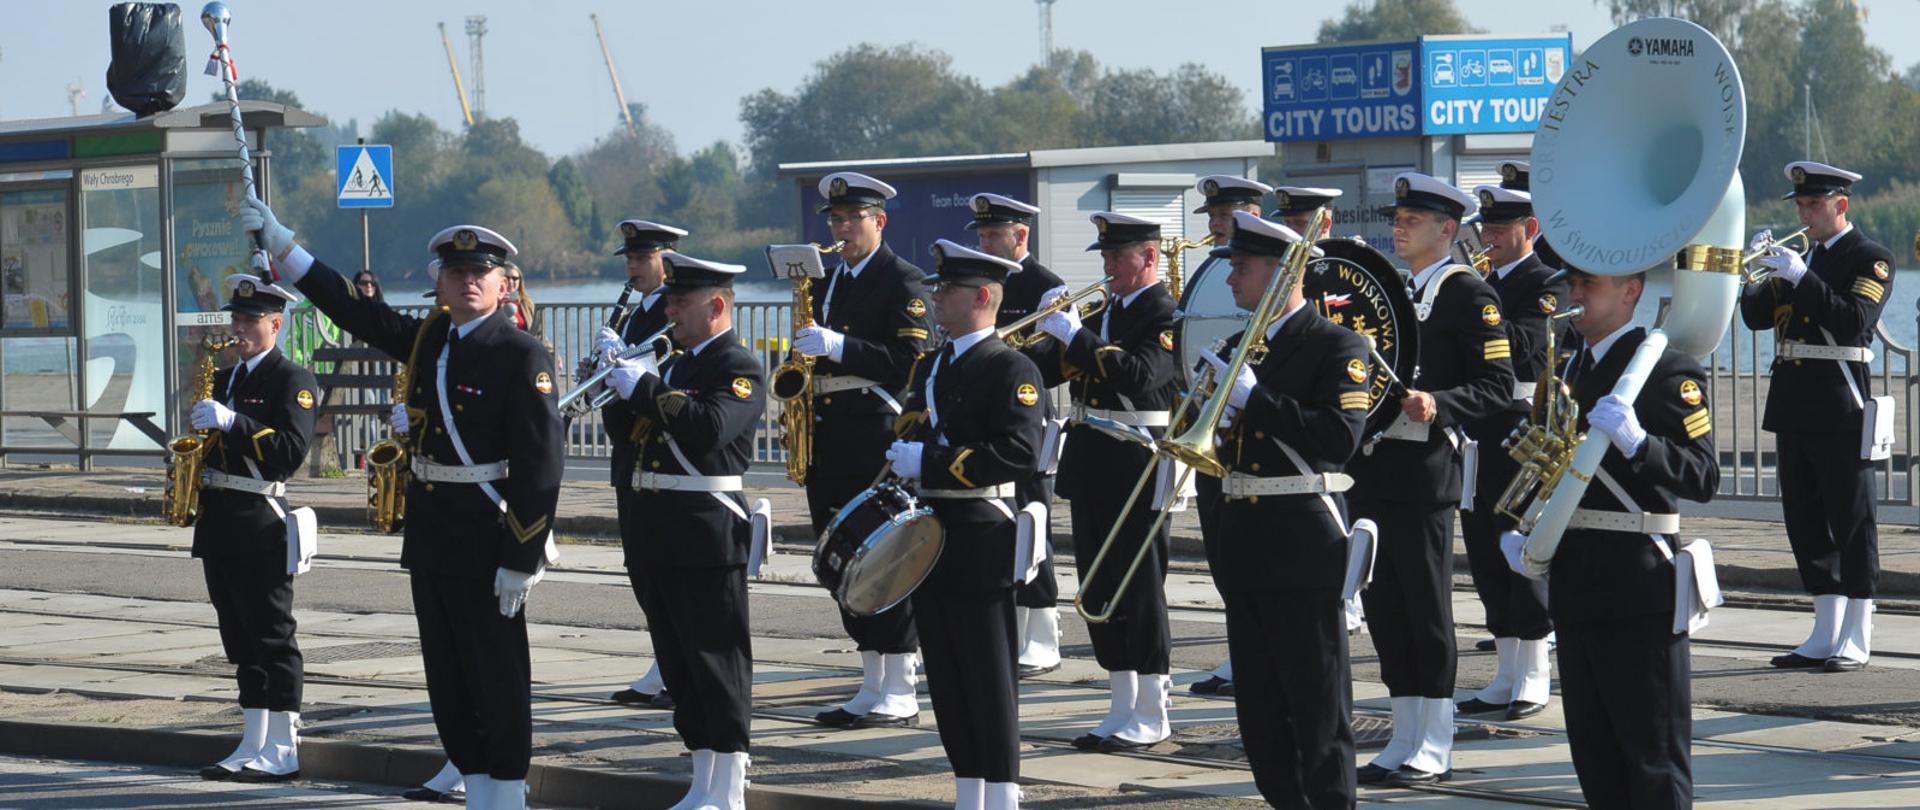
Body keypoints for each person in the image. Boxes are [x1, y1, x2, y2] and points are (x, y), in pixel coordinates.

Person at [238, 198, 564, 810]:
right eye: (456, 273)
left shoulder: (521, 354)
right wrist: (286, 248)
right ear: (439, 282)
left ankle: (507, 792)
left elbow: (543, 464)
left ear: (501, 284)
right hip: (436, 533)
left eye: (480, 273)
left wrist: (523, 553)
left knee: (494, 673)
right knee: (447, 674)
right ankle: (476, 782)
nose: (467, 282)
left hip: (489, 536)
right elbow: (355, 311)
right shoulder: (432, 339)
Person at [1502, 264, 1719, 808]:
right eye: (1571, 285)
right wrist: (1526, 530)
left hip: (1638, 582)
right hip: (1576, 583)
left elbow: (1703, 475)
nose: (1574, 296)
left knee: (1652, 754)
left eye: (1588, 286)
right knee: (1594, 754)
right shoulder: (1570, 369)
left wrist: (1640, 443)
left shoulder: (1665, 370)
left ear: (1630, 291)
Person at [1350, 172, 1514, 787]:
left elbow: (1498, 386)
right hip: (1373, 465)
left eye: (1412, 220)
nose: (1398, 226)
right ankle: (1403, 732)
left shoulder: (1469, 294)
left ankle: (1435, 742)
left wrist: (1439, 403)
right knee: (1384, 605)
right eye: (1397, 217)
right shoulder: (1387, 291)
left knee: (1424, 607)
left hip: (1424, 469)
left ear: (1447, 230)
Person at [1202, 211, 1368, 808]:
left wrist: (1256, 399)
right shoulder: (1235, 345)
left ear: (1279, 273)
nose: (1230, 281)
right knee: (1261, 711)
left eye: (1241, 268)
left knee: (1316, 704)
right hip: (1243, 536)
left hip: (1302, 540)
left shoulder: (1338, 345)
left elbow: (1338, 438)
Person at [603, 252, 765, 810]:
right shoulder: (671, 361)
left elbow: (709, 430)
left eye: (679, 302)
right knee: (677, 661)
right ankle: (701, 779)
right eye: (669, 300)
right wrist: (613, 381)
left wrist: (644, 387)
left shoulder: (738, 366)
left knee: (716, 660)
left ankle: (730, 787)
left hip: (706, 531)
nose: (668, 311)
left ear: (715, 305)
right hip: (658, 529)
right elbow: (629, 435)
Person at [889, 239, 1045, 810]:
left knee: (987, 671)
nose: (937, 298)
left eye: (948, 290)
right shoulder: (932, 363)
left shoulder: (1012, 367)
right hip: (930, 530)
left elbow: (1018, 453)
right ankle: (968, 790)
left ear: (981, 296)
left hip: (982, 527)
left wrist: (930, 461)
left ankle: (1003, 793)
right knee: (947, 671)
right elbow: (911, 425)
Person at [1030, 212, 1180, 752]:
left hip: (1137, 463)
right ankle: (1121, 702)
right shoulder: (1102, 311)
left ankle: (1153, 708)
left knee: (1137, 588)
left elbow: (1140, 377)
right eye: (1106, 257)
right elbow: (1047, 371)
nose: (1109, 267)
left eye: (1119, 257)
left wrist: (1077, 335)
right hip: (1093, 458)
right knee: (1096, 585)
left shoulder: (1166, 314)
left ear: (1149, 257)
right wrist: (1047, 333)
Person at [1740, 161, 1897, 673]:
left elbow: (1853, 321)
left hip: (1840, 402)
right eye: (1801, 206)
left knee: (1851, 520)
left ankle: (1859, 630)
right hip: (1793, 400)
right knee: (1804, 520)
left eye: (1813, 205)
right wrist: (1754, 273)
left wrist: (1801, 276)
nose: (1805, 215)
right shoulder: (1799, 259)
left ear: (1840, 205)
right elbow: (1758, 317)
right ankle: (1825, 628)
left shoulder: (1870, 259)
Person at [797, 172, 935, 730]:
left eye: (852, 220)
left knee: (884, 558)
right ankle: (872, 679)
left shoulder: (903, 281)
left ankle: (900, 685)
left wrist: (839, 346)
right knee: (842, 560)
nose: (841, 229)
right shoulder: (828, 283)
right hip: (830, 434)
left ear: (880, 222)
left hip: (875, 433)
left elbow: (909, 363)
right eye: (834, 220)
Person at [192, 274, 317, 784]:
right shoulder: (226, 379)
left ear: (275, 323)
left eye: (249, 320)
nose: (239, 328)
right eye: (236, 319)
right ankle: (252, 739)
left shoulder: (294, 380)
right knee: (238, 636)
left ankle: (284, 746)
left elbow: (289, 454)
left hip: (261, 521)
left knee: (272, 635)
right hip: (221, 520)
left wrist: (232, 423)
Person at [1455, 168, 1566, 722]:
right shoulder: (1483, 285)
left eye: (1501, 227)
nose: (1489, 236)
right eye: (1486, 227)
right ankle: (1505, 672)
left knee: (1518, 546)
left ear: (1530, 227)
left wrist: (1475, 314)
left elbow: (1529, 349)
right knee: (1482, 551)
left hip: (1521, 427)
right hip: (1477, 428)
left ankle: (1535, 675)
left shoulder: (1548, 283)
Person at [968, 192, 1065, 678]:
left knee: (1034, 517)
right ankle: (1015, 624)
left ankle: (1044, 631)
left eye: (992, 235)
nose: (984, 242)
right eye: (981, 235)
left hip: (1027, 420)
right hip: (985, 417)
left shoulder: (1047, 287)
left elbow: (1056, 365)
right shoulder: (982, 283)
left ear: (1020, 236)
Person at [1183, 175, 1271, 700]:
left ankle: (1253, 653)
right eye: (1213, 218)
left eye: (1224, 216)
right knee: (1221, 549)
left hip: (1256, 433)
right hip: (1214, 427)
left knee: (1253, 557)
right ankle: (1241, 648)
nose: (1215, 226)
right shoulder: (1211, 274)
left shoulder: (1266, 274)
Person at [598, 219, 689, 711]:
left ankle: (675, 667)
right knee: (640, 565)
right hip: (628, 451)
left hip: (659, 448)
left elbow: (675, 377)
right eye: (629, 259)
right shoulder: (634, 316)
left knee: (661, 568)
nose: (632, 267)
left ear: (665, 258)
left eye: (641, 258)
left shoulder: (675, 313)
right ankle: (663, 661)